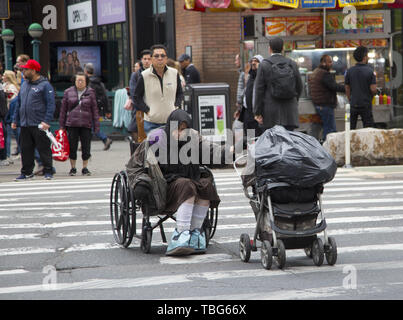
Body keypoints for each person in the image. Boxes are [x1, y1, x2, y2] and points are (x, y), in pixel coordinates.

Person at [127, 109, 231, 256]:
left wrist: (231, 151)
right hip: (162, 189)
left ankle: (195, 234)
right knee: (186, 185)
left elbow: (211, 151)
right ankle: (180, 234)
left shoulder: (193, 138)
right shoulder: (157, 138)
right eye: (178, 129)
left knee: (206, 185)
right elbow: (134, 166)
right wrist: (140, 184)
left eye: (185, 129)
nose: (181, 133)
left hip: (188, 182)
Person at [11, 59, 56, 181]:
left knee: (44, 148)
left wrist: (46, 121)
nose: (23, 71)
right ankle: (26, 172)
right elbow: (19, 104)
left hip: (40, 123)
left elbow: (51, 104)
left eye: (26, 69)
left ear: (33, 70)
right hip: (25, 123)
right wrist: (15, 120)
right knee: (25, 149)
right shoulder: (25, 84)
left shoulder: (45, 85)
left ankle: (48, 170)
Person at [254, 37, 303, 132]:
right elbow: (299, 86)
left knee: (273, 143)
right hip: (289, 113)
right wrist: (293, 100)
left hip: (270, 114)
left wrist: (257, 112)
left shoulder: (264, 65)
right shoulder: (292, 64)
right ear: (283, 48)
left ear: (270, 49)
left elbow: (259, 90)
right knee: (288, 143)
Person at [133, 44, 184, 135]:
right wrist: (148, 111)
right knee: (158, 148)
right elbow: (136, 97)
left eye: (162, 56)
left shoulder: (174, 73)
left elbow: (180, 93)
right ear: (152, 59)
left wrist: (176, 107)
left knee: (172, 148)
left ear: (166, 58)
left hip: (172, 121)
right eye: (156, 56)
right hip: (152, 123)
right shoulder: (144, 75)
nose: (160, 58)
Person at [59, 72, 100, 176]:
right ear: (74, 81)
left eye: (82, 80)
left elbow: (95, 110)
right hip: (72, 123)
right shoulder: (68, 92)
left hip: (86, 123)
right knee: (72, 146)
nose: (80, 82)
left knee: (86, 147)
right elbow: (63, 110)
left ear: (86, 82)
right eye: (78, 80)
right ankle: (73, 168)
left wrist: (96, 125)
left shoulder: (91, 92)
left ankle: (85, 167)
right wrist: (62, 126)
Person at [309, 54, 345, 141]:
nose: (331, 63)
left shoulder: (316, 71)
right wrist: (347, 88)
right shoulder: (324, 74)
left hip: (318, 105)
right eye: (329, 62)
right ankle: (328, 149)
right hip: (325, 105)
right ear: (323, 63)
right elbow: (334, 87)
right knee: (330, 130)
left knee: (319, 127)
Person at [345, 46, 377, 129]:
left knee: (351, 128)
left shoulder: (349, 71)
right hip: (366, 104)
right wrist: (373, 95)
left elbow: (347, 88)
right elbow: (373, 89)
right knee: (368, 129)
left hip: (353, 104)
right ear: (364, 57)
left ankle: (351, 142)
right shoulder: (370, 71)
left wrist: (350, 99)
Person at [84, 63, 113, 150]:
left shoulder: (87, 83)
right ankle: (85, 144)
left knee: (90, 126)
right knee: (89, 125)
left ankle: (105, 139)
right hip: (96, 107)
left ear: (86, 71)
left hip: (88, 107)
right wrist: (107, 110)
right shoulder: (99, 82)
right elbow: (105, 96)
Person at [128, 49, 152, 142]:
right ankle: (140, 150)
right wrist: (143, 107)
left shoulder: (155, 73)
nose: (146, 61)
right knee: (134, 129)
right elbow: (134, 94)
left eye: (149, 59)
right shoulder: (136, 75)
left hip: (153, 108)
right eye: (144, 59)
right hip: (139, 108)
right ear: (141, 60)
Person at [240, 55, 264, 136]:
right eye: (252, 61)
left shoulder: (262, 77)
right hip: (247, 114)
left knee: (258, 138)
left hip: (257, 115)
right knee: (249, 140)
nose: (253, 63)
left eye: (256, 61)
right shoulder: (250, 76)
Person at [3, 70, 21, 162]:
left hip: (11, 113)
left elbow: (14, 101)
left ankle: (11, 154)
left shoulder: (11, 87)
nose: (2, 77)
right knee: (9, 134)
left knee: (14, 134)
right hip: (7, 112)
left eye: (4, 75)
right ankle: (8, 154)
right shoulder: (4, 86)